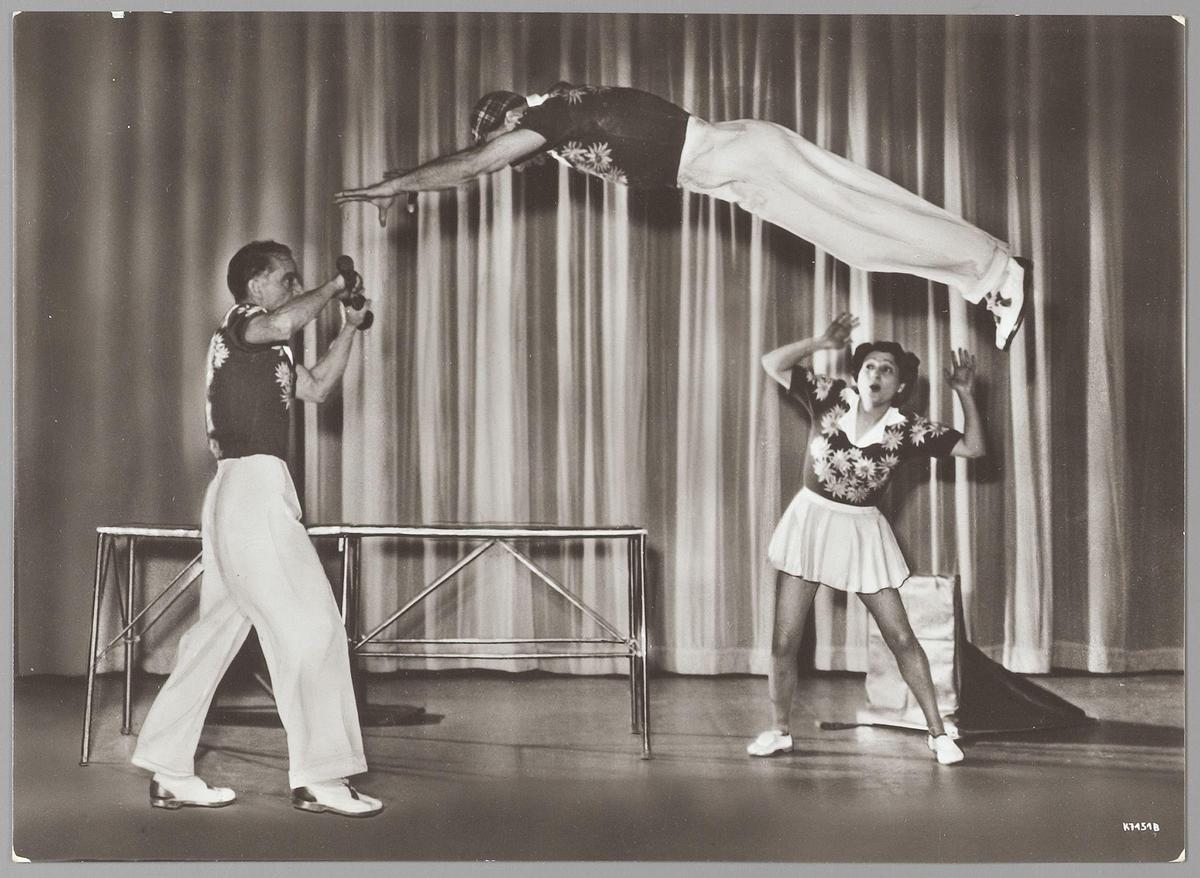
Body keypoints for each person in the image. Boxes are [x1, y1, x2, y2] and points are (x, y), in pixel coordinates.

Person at [333, 82, 1028, 350]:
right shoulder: (559, 133)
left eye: (503, 142)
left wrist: (397, 183)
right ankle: (986, 281)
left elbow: (474, 165)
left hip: (744, 157)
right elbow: (483, 162)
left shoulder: (553, 115)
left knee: (865, 211)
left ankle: (996, 265)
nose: (513, 160)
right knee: (861, 246)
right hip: (733, 179)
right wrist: (414, 182)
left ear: (512, 120)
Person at [130, 240, 384, 817]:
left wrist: (349, 329)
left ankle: (169, 770)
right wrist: (333, 288)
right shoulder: (243, 324)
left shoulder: (271, 350)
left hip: (237, 495)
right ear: (255, 286)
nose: (295, 287)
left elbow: (318, 388)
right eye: (286, 278)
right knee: (315, 627)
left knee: (213, 637)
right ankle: (322, 779)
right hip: (252, 493)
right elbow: (287, 320)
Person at [748, 312, 983, 765]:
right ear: (858, 374)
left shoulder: (908, 428)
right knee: (784, 641)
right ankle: (779, 731)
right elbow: (771, 363)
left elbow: (974, 448)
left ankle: (938, 734)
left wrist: (965, 393)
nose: (876, 374)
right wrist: (821, 342)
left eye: (887, 370)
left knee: (901, 637)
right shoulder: (830, 396)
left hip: (862, 532)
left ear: (900, 385)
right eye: (870, 366)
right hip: (810, 523)